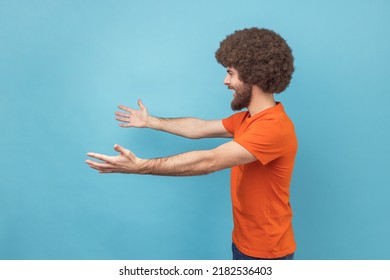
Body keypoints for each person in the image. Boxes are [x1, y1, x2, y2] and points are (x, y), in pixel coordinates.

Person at [86, 27, 297, 260]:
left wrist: (140, 166)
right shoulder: (247, 120)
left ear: (254, 75)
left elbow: (209, 161)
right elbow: (199, 128)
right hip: (244, 242)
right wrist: (151, 121)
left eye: (231, 73)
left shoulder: (272, 128)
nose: (225, 81)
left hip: (266, 253)